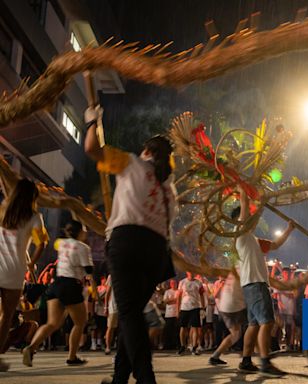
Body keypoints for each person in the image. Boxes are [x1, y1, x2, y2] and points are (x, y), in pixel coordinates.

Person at [84, 106, 177, 384]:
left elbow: (92, 148)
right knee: (132, 314)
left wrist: (92, 121)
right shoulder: (169, 191)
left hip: (127, 243)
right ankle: (119, 378)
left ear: (146, 151)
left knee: (128, 312)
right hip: (156, 253)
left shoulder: (131, 162)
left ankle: (146, 378)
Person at [234, 188, 294, 377]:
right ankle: (265, 363)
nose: (252, 219)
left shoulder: (254, 240)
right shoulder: (240, 234)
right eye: (248, 217)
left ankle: (245, 361)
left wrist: (289, 229)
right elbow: (244, 207)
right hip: (256, 284)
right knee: (267, 323)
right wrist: (242, 189)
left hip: (252, 286)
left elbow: (275, 245)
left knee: (253, 325)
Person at [23, 220, 95, 366]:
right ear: (79, 231)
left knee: (52, 323)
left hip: (56, 284)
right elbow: (89, 270)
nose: (86, 232)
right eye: (84, 230)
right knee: (80, 323)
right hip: (71, 285)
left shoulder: (61, 243)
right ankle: (72, 357)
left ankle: (31, 348)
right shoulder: (83, 247)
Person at [0, 178, 48, 371]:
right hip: (14, 271)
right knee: (6, 317)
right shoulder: (35, 217)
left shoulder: (3, 210)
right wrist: (31, 263)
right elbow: (41, 244)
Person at [208, 269, 247, 365]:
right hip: (234, 305)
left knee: (236, 334)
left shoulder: (233, 271)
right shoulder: (242, 268)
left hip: (226, 306)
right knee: (253, 326)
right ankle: (255, 358)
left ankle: (215, 356)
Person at [177, 272, 205, 355]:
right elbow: (179, 296)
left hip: (195, 307)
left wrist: (202, 307)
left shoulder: (198, 282)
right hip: (184, 307)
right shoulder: (182, 282)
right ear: (187, 272)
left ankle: (194, 347)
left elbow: (202, 295)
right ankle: (182, 346)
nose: (192, 273)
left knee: (195, 327)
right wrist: (177, 309)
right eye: (190, 271)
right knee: (183, 327)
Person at [162, 279, 179, 350]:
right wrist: (174, 299)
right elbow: (165, 301)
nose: (173, 284)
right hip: (169, 314)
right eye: (172, 283)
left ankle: (176, 345)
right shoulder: (167, 291)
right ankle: (167, 345)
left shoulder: (179, 291)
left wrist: (171, 300)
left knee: (176, 330)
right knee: (168, 330)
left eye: (174, 283)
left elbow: (179, 301)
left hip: (176, 314)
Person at [104, 274, 117, 355]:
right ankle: (108, 347)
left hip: (125, 306)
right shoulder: (112, 276)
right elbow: (107, 292)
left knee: (124, 328)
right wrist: (106, 307)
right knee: (110, 327)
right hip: (113, 306)